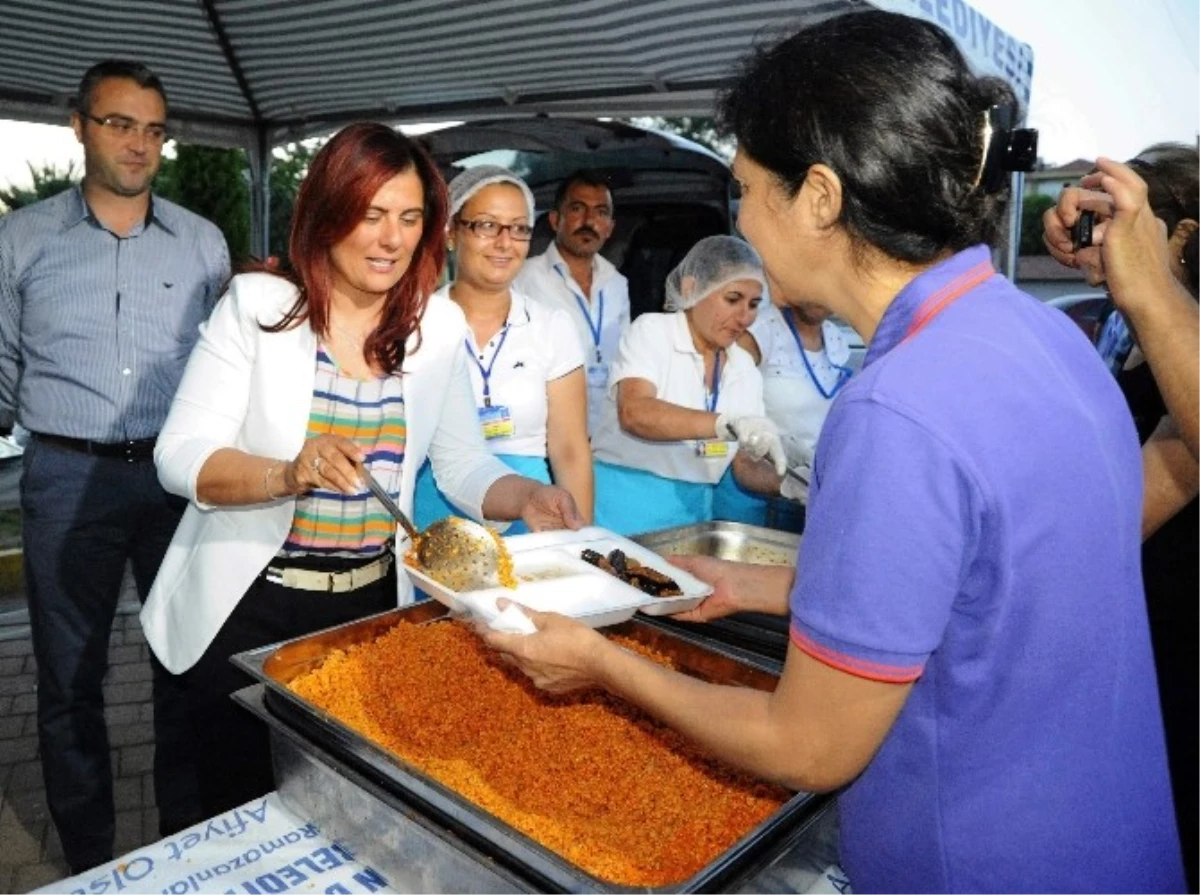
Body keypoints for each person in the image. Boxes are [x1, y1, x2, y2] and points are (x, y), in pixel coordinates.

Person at [480, 12, 1185, 893]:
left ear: (818, 196)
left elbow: (806, 745)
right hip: (1113, 834)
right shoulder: (1039, 336)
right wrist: (760, 585)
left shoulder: (897, 407)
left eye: (745, 186)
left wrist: (598, 662)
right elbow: (986, 581)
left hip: (976, 858)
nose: (739, 217)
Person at [139, 124, 584, 818]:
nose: (391, 239)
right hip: (246, 604)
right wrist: (289, 471)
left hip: (366, 609)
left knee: (337, 812)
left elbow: (461, 460)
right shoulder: (260, 309)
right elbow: (180, 454)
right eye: (371, 214)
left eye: (408, 218)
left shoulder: (435, 326)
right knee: (224, 810)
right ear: (327, 212)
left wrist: (528, 492)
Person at [0, 60, 229, 873]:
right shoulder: (21, 239)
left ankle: (187, 842)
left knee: (184, 660)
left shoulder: (204, 243)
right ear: (78, 126)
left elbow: (227, 367)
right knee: (68, 680)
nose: (139, 144)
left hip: (174, 478)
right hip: (65, 479)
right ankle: (91, 859)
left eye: (153, 128)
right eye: (119, 123)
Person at [1042, 145, 1200, 888]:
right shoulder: (1130, 334)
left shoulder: (1183, 350)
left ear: (1180, 237)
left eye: (1118, 223)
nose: (1097, 238)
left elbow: (1116, 517)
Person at [413, 166, 593, 532]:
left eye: (519, 228)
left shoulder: (551, 326)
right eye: (487, 225)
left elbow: (570, 449)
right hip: (432, 510)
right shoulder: (415, 324)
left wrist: (581, 542)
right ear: (450, 232)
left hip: (530, 514)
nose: (504, 242)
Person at [589, 235, 786, 534]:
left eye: (754, 304)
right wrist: (722, 424)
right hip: (625, 507)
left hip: (694, 513)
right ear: (691, 288)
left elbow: (743, 465)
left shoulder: (744, 368)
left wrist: (787, 483)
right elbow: (635, 412)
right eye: (732, 299)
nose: (745, 317)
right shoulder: (653, 332)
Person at [514, 169, 630, 435]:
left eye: (601, 212)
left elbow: (625, 359)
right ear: (555, 220)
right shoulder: (524, 278)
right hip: (547, 433)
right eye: (578, 208)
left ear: (610, 227)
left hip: (608, 433)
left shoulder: (617, 284)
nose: (589, 220)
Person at [737, 286, 855, 529]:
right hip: (761, 491)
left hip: (814, 488)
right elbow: (730, 412)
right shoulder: (760, 331)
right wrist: (786, 484)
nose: (821, 293)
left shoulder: (835, 338)